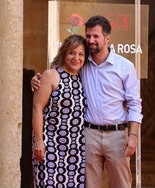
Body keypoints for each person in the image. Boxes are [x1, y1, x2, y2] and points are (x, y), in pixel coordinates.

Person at [31, 15, 143, 188]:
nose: (91, 40)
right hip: (88, 136)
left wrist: (133, 135)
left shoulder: (125, 66)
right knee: (89, 185)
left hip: (117, 135)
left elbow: (135, 103)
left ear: (107, 38)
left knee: (122, 184)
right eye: (88, 36)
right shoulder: (82, 64)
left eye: (96, 36)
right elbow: (56, 77)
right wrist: (37, 79)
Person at [32, 34, 89, 188]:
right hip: (50, 145)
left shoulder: (84, 78)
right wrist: (38, 141)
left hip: (76, 149)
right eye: (72, 53)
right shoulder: (51, 75)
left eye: (81, 54)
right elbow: (37, 108)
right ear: (64, 54)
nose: (76, 57)